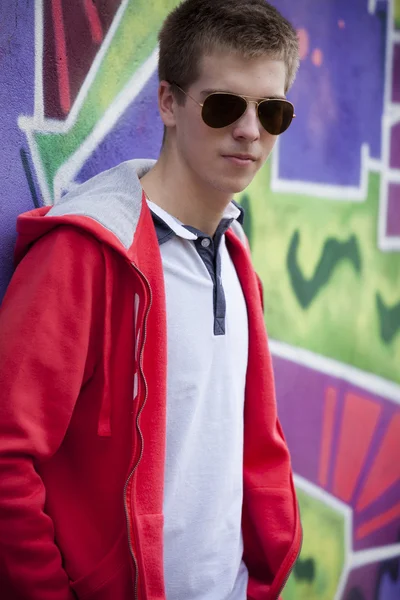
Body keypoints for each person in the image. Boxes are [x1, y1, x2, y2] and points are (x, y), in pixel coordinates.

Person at [0, 0, 302, 598]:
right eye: (223, 106)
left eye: (272, 111)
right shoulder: (83, 256)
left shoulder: (236, 259)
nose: (249, 130)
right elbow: (7, 457)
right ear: (168, 102)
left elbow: (252, 445)